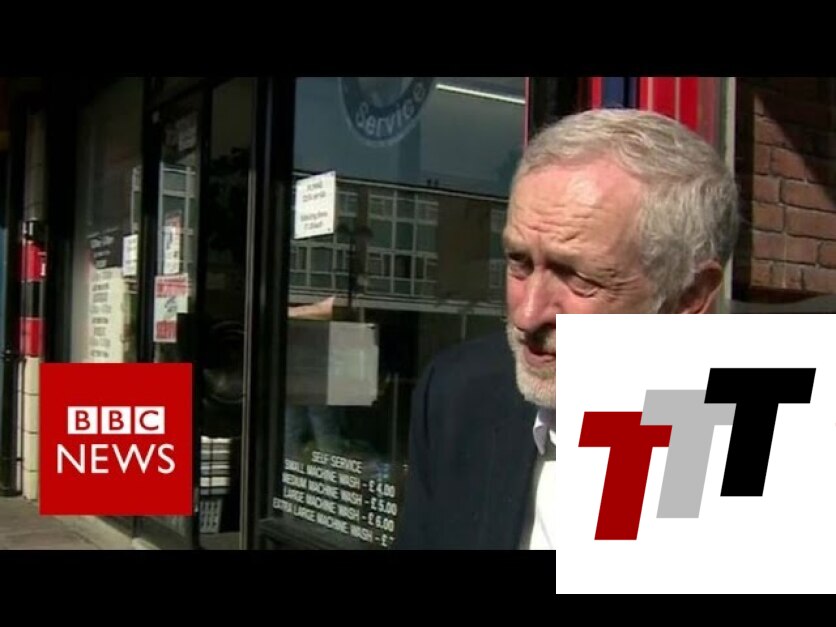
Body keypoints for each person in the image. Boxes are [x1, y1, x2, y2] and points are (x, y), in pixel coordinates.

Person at [393, 108, 740, 550]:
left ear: (688, 296)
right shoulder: (457, 395)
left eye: (578, 277)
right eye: (519, 262)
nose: (527, 315)